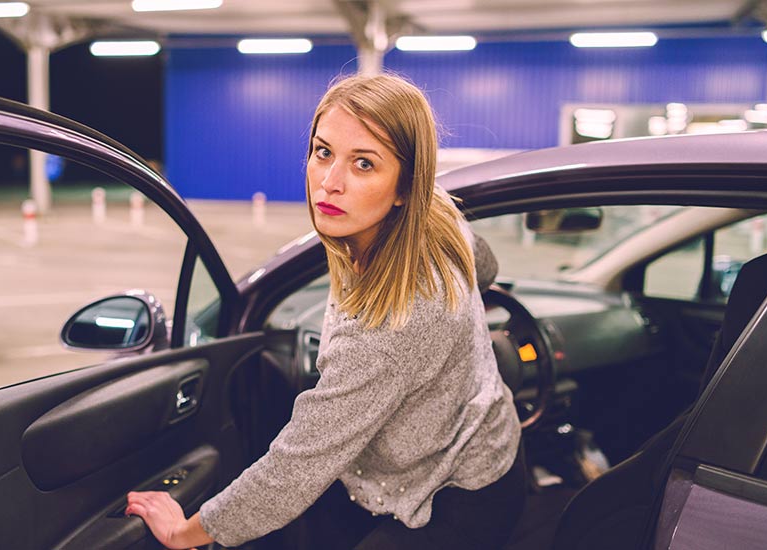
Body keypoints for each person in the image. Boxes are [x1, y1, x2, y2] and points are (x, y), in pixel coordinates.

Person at [126, 73, 525, 549]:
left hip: (452, 495)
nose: (330, 183)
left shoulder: (389, 327)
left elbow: (297, 468)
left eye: (363, 164)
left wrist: (184, 533)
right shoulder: (437, 214)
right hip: (488, 438)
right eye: (323, 152)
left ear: (404, 186)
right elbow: (485, 267)